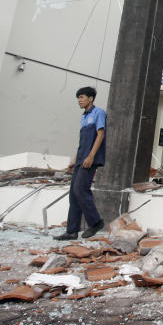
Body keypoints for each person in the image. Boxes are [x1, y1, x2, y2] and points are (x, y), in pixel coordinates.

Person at [54, 86, 106, 240]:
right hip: (81, 159)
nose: (79, 100)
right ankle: (71, 231)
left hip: (90, 160)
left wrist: (91, 156)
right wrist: (75, 159)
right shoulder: (84, 117)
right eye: (78, 98)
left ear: (90, 98)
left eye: (82, 97)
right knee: (73, 194)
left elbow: (100, 135)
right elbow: (82, 141)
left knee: (80, 190)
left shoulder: (99, 113)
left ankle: (96, 222)